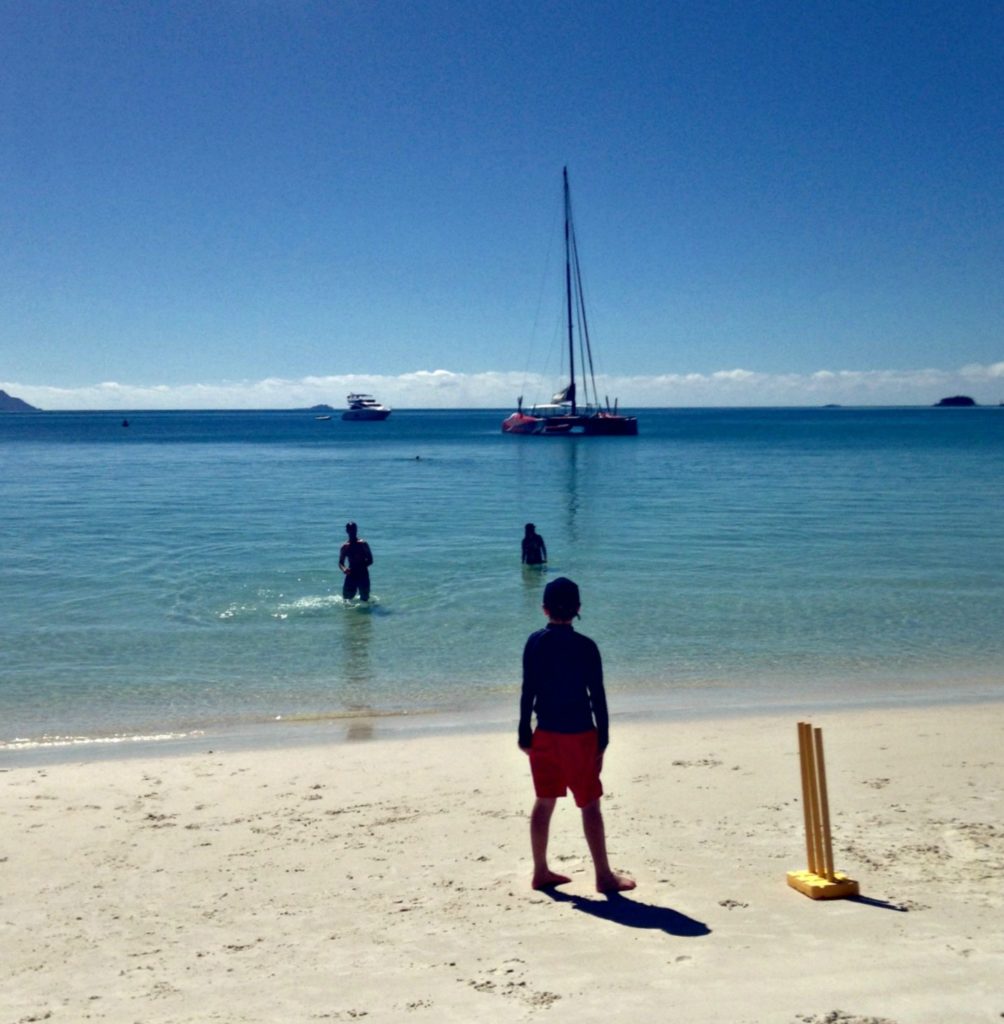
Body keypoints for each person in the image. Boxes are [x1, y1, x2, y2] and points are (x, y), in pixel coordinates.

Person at [518, 576, 635, 893]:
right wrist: (604, 740)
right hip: (580, 735)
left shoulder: (534, 643)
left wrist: (523, 733)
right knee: (590, 805)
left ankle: (540, 871)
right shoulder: (586, 647)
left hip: (544, 733)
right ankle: (603, 876)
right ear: (578, 609)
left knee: (544, 802)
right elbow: (597, 697)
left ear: (544, 609)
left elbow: (529, 690)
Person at [339, 521, 373, 601]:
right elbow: (341, 562)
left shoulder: (363, 544)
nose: (352, 531)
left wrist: (361, 567)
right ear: (347, 531)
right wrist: (344, 569)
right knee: (346, 599)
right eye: (350, 530)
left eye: (353, 529)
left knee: (365, 599)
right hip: (351, 573)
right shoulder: (345, 547)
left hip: (363, 573)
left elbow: (370, 560)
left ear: (356, 530)